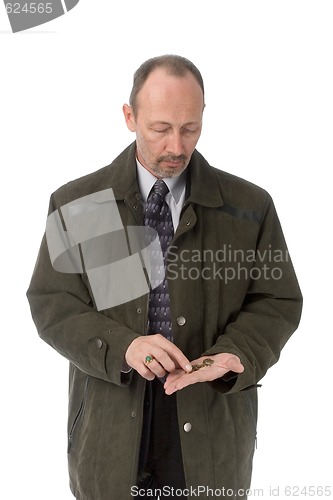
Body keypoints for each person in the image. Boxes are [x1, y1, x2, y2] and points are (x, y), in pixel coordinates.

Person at [27, 54, 302, 500]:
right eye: (159, 129)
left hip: (212, 424)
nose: (176, 146)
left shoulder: (249, 208)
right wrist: (124, 346)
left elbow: (277, 300)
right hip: (109, 431)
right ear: (129, 117)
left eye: (189, 128)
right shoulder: (80, 204)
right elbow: (52, 302)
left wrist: (235, 353)